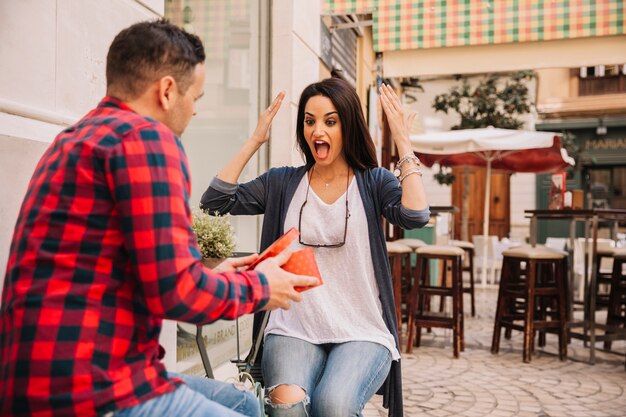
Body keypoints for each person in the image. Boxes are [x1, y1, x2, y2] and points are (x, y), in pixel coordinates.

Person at [0, 19, 318, 417]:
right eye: (195, 96)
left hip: (34, 380)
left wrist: (219, 277)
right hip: (95, 390)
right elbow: (177, 293)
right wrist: (261, 287)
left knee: (242, 401)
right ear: (167, 90)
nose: (196, 110)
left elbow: (140, 278)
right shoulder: (146, 140)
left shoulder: (72, 140)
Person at [201, 77, 430, 417]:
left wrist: (403, 140)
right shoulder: (282, 182)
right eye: (310, 121)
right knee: (287, 406)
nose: (317, 131)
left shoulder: (373, 181)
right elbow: (215, 202)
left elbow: (415, 215)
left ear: (347, 126)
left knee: (333, 405)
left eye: (330, 121)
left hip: (361, 329)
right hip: (293, 327)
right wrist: (255, 140)